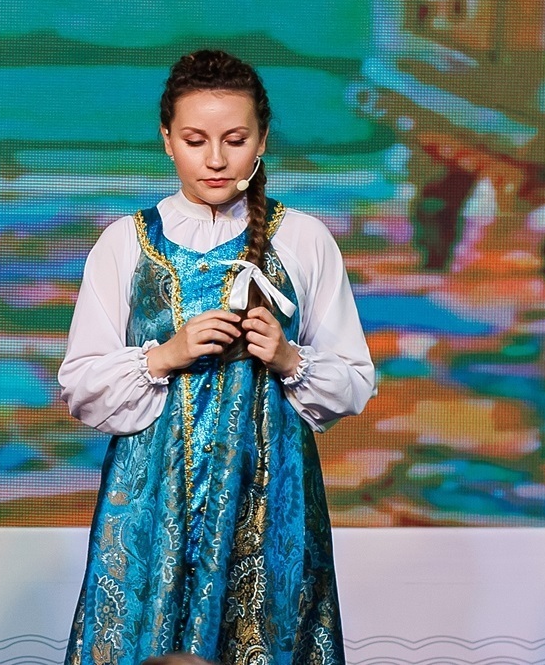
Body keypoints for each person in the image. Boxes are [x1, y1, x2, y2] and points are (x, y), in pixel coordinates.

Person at [60, 49, 376, 665]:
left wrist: (288, 358)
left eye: (235, 140)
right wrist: (163, 356)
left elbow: (354, 381)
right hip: (154, 500)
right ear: (166, 139)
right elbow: (80, 384)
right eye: (194, 140)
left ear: (261, 139)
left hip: (269, 494)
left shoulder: (302, 238)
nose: (214, 159)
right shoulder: (126, 242)